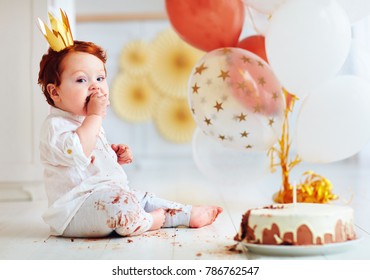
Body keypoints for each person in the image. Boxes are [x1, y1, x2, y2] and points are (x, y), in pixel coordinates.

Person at [37, 21, 222, 238]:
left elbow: (90, 158)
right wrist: (95, 115)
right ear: (55, 92)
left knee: (141, 197)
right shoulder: (55, 127)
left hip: (105, 197)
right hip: (75, 210)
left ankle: (186, 214)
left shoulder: (86, 120)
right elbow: (78, 151)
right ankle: (148, 220)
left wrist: (112, 156)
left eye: (100, 78)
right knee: (121, 204)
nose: (95, 86)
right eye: (81, 79)